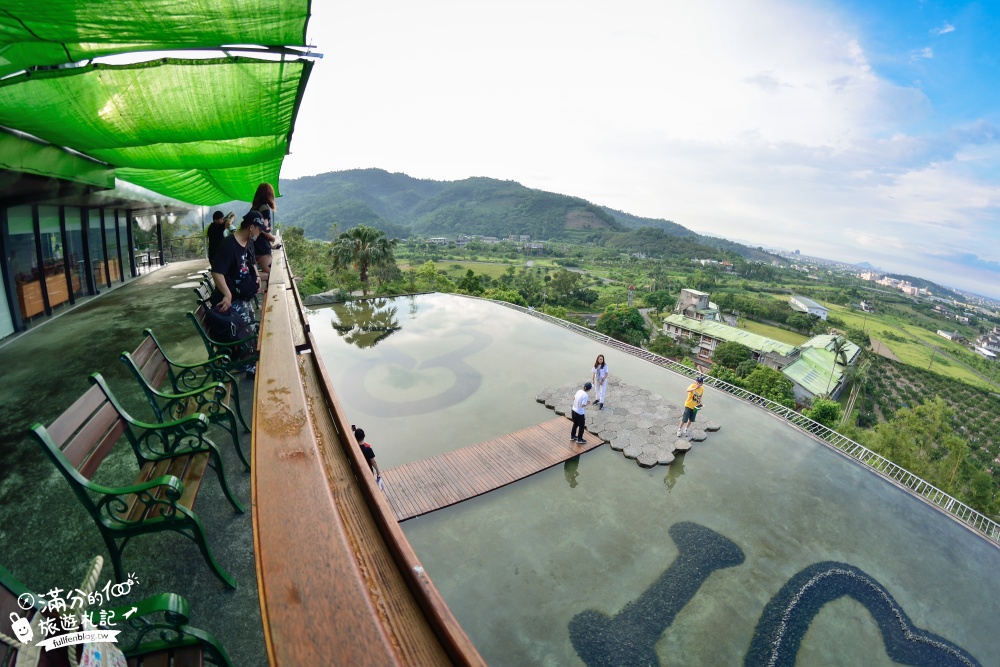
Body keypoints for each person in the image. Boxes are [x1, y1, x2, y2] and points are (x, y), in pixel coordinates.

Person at [210, 210, 262, 364]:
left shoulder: (248, 242)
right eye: (259, 229)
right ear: (252, 227)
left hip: (243, 295)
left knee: (252, 321)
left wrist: (257, 277)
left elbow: (251, 262)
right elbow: (217, 272)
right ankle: (246, 363)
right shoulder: (229, 245)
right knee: (246, 328)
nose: (260, 232)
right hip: (231, 299)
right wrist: (227, 294)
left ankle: (251, 357)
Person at [250, 183, 280, 281]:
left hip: (252, 244)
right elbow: (263, 228)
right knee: (272, 273)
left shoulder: (254, 207)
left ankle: (249, 278)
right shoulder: (264, 207)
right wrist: (273, 238)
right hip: (261, 246)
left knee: (255, 269)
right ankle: (248, 279)